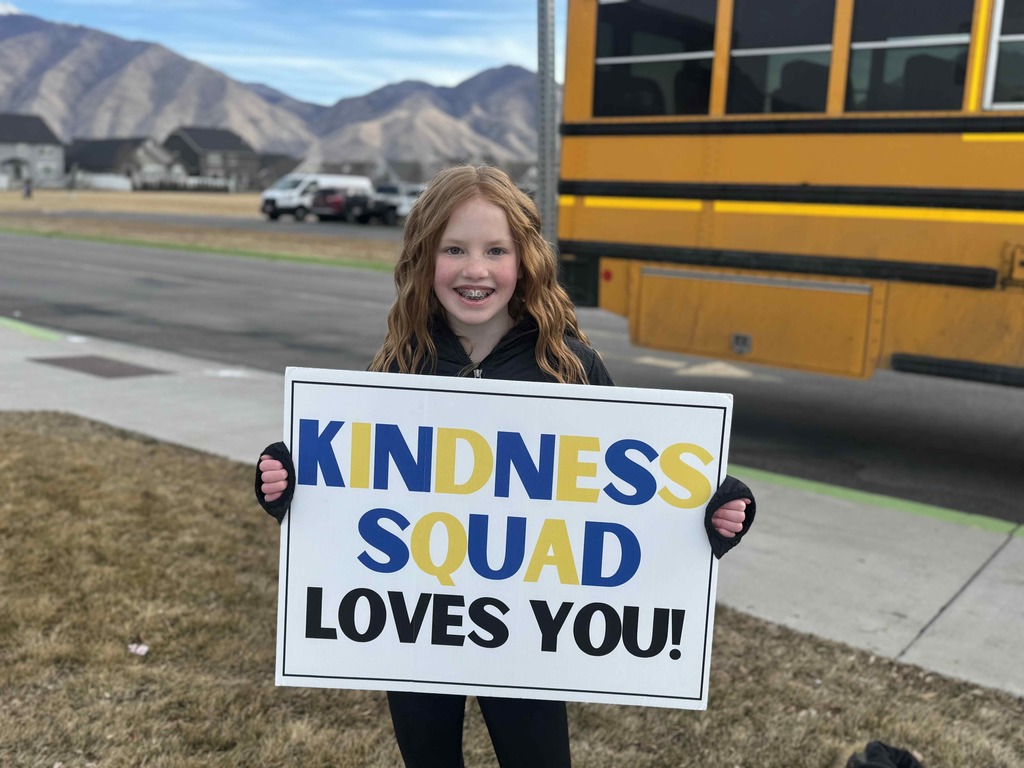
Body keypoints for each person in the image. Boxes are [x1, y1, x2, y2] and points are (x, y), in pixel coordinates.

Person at [255, 164, 755, 768]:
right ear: (423, 259)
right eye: (454, 249)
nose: (475, 269)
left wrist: (708, 518)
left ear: (525, 262)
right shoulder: (399, 364)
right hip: (416, 629)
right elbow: (350, 502)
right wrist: (288, 489)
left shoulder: (571, 366)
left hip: (527, 632)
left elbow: (634, 498)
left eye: (496, 250)